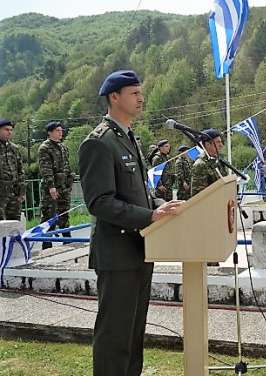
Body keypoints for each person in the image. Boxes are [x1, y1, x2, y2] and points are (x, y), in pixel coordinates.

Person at [78, 70, 182, 376]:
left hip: (140, 250)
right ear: (114, 97)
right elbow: (100, 202)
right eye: (134, 93)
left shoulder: (129, 139)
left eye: (140, 92)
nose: (141, 98)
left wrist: (165, 206)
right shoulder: (99, 143)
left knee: (134, 334)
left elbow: (142, 194)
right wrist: (150, 216)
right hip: (117, 254)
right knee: (115, 335)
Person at [38, 121, 74, 249]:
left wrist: (69, 182)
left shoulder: (63, 147)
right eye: (58, 131)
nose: (61, 133)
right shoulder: (45, 148)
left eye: (61, 130)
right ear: (50, 132)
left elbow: (67, 167)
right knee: (49, 216)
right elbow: (46, 169)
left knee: (64, 215)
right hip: (51, 188)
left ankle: (67, 242)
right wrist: (51, 186)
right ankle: (46, 246)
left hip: (64, 187)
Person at [191, 128, 229, 197]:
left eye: (221, 142)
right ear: (208, 144)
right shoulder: (200, 164)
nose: (221, 145)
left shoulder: (218, 161)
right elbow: (198, 195)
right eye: (218, 142)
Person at [0, 118, 25, 220]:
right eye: (6, 129)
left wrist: (22, 192)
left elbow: (21, 171)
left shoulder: (14, 148)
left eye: (11, 130)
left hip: (14, 193)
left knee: (14, 224)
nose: (9, 132)